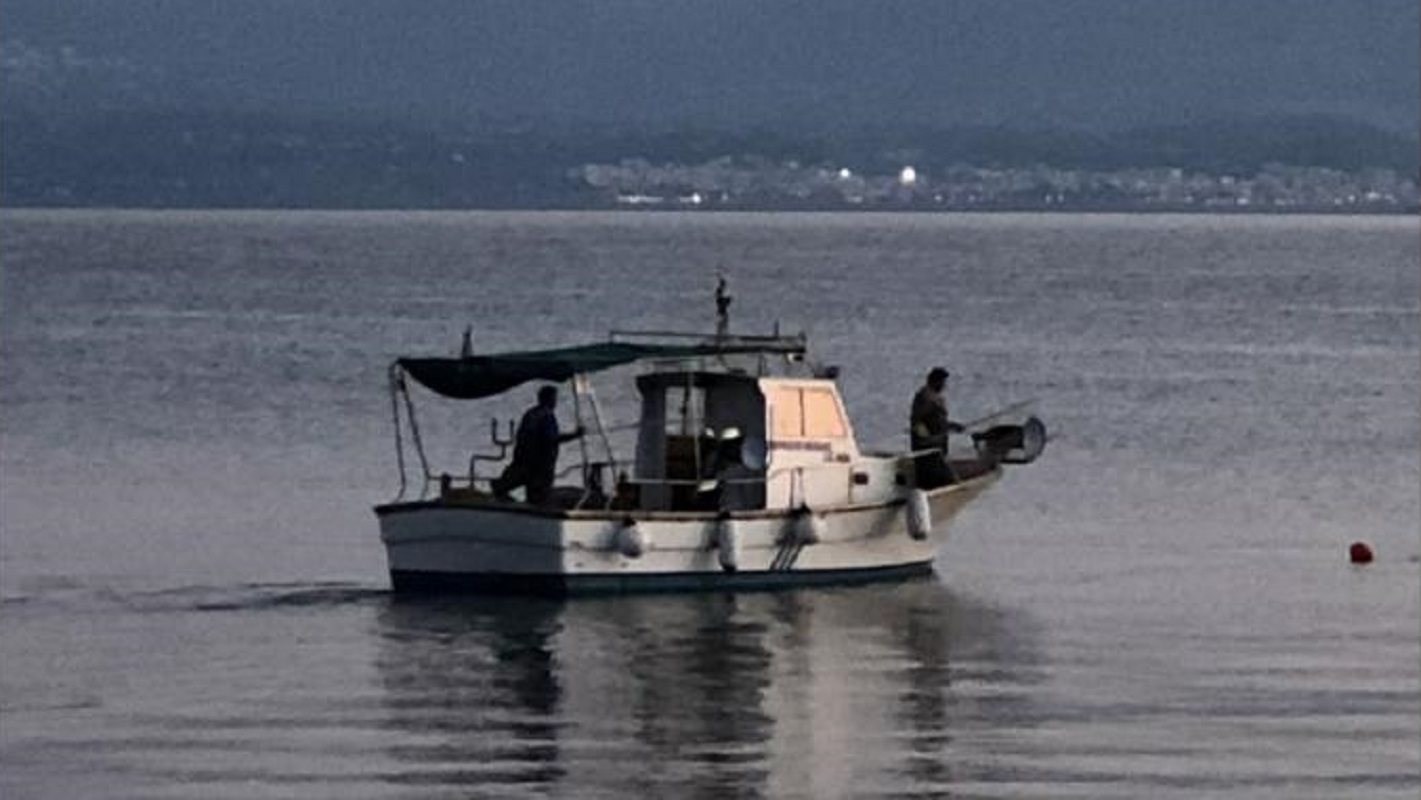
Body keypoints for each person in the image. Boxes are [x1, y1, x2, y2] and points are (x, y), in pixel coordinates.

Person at [492, 385, 584, 504]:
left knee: (510, 486)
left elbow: (521, 435)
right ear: (550, 399)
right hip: (540, 468)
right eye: (554, 398)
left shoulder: (531, 413)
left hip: (523, 462)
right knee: (538, 499)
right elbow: (551, 439)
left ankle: (506, 498)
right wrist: (575, 435)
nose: (555, 402)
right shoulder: (546, 416)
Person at [910, 367, 965, 487]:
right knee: (943, 480)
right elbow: (916, 422)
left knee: (940, 479)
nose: (945, 385)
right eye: (943, 382)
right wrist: (927, 439)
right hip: (928, 451)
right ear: (935, 382)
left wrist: (953, 426)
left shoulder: (937, 397)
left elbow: (938, 421)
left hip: (938, 449)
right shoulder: (925, 398)